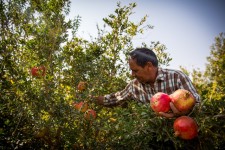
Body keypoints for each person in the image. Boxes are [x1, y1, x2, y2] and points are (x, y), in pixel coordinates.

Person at [91, 47, 200, 118]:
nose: (132, 74)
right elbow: (113, 99)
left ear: (149, 66)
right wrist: (90, 97)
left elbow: (198, 103)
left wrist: (184, 112)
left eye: (135, 70)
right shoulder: (134, 86)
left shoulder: (177, 77)